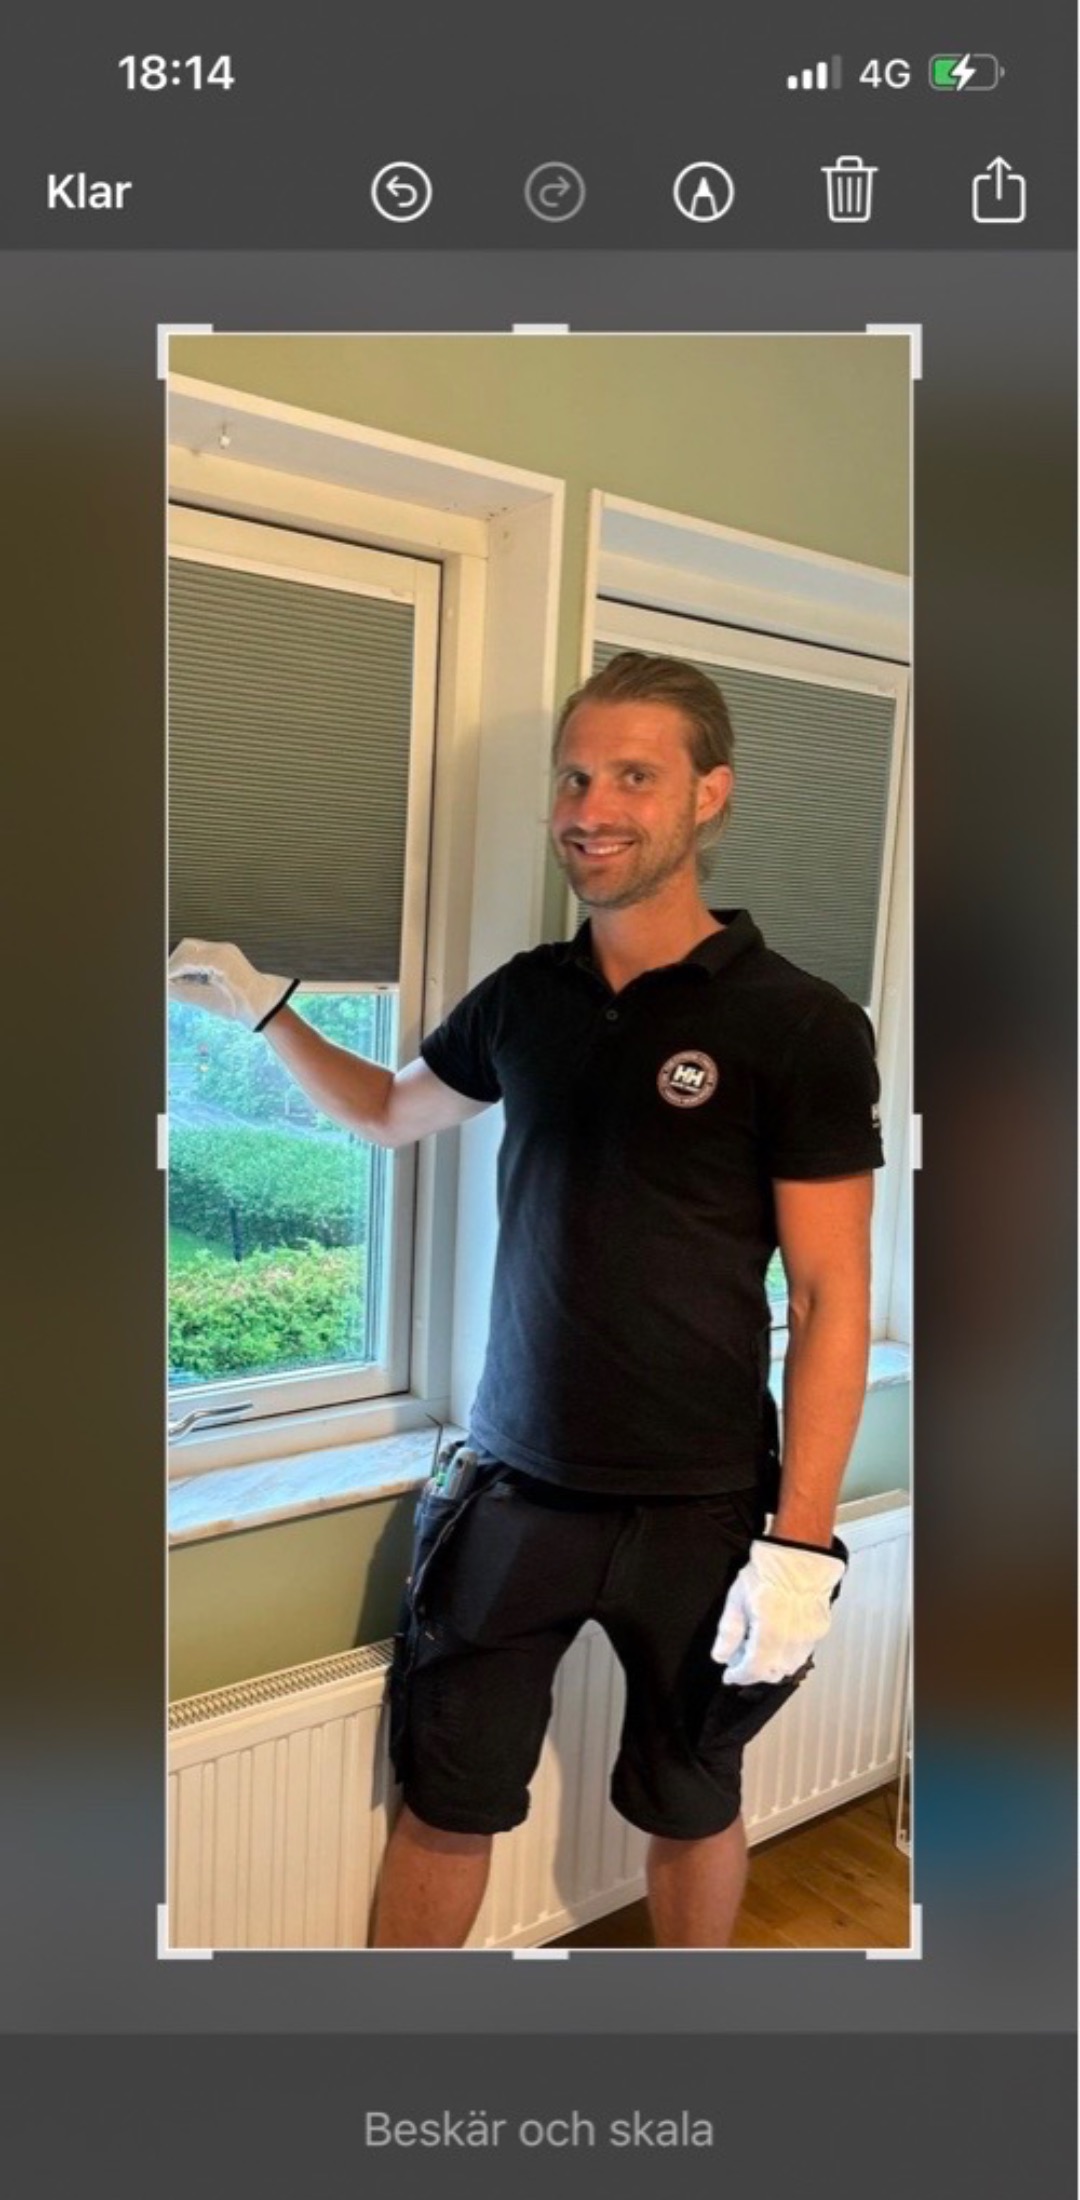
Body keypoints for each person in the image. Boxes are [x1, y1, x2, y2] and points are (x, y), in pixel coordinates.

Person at [170, 651, 883, 1948]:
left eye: (632, 777)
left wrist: (800, 1542)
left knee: (691, 1802)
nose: (590, 808)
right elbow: (391, 1111)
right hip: (515, 1487)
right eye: (573, 777)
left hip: (704, 1505)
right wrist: (269, 1010)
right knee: (446, 1804)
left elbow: (835, 1296)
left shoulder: (801, 1024)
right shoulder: (526, 999)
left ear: (710, 795)